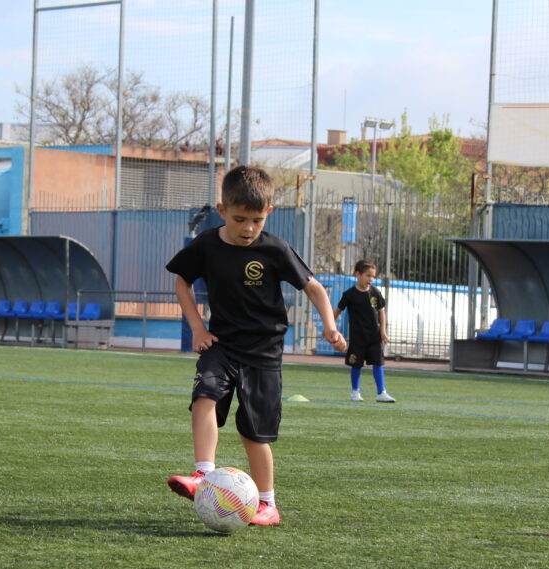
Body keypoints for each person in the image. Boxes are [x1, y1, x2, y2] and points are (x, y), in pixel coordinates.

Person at [165, 166, 346, 526]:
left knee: (254, 433)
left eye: (257, 220)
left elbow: (314, 287)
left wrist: (328, 324)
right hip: (222, 344)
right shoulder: (206, 244)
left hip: (264, 352)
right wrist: (198, 328)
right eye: (239, 219)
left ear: (269, 214)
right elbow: (182, 282)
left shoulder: (275, 249)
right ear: (222, 211)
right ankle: (203, 474)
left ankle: (268, 504)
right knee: (204, 397)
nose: (248, 228)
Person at [333, 260, 395, 403]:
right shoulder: (349, 294)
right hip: (357, 338)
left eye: (373, 276)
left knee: (378, 363)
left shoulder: (375, 293)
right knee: (356, 364)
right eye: (368, 276)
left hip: (374, 336)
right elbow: (337, 311)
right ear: (358, 275)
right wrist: (330, 327)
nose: (371, 279)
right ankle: (355, 392)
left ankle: (381, 392)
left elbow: (381, 313)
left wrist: (383, 332)